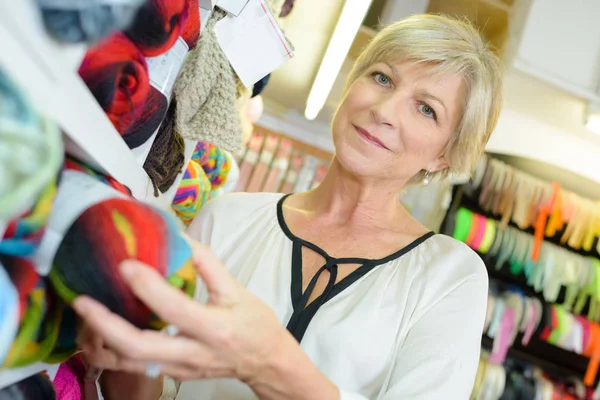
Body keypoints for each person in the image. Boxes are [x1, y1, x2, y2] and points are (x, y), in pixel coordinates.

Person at [74, 13, 503, 400]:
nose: (384, 110)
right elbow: (158, 390)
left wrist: (268, 362)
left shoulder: (448, 277)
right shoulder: (228, 219)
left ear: (443, 156)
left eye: (426, 109)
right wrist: (125, 347)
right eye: (382, 78)